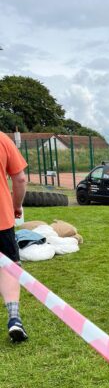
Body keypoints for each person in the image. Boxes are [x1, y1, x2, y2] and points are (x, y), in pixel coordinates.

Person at [0, 131, 28, 342]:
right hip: (2, 218)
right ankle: (14, 318)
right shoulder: (2, 139)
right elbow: (20, 178)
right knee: (9, 269)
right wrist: (16, 205)